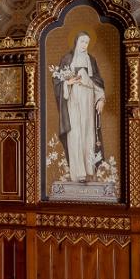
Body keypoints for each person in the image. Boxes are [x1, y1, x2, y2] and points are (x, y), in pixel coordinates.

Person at [53, 31, 106, 183]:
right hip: (73, 100)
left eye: (87, 42)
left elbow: (97, 81)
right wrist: (67, 83)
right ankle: (78, 173)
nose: (84, 45)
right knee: (75, 134)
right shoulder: (67, 59)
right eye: (82, 41)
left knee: (88, 133)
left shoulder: (91, 60)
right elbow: (57, 81)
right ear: (76, 42)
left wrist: (101, 99)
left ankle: (89, 170)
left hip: (88, 100)